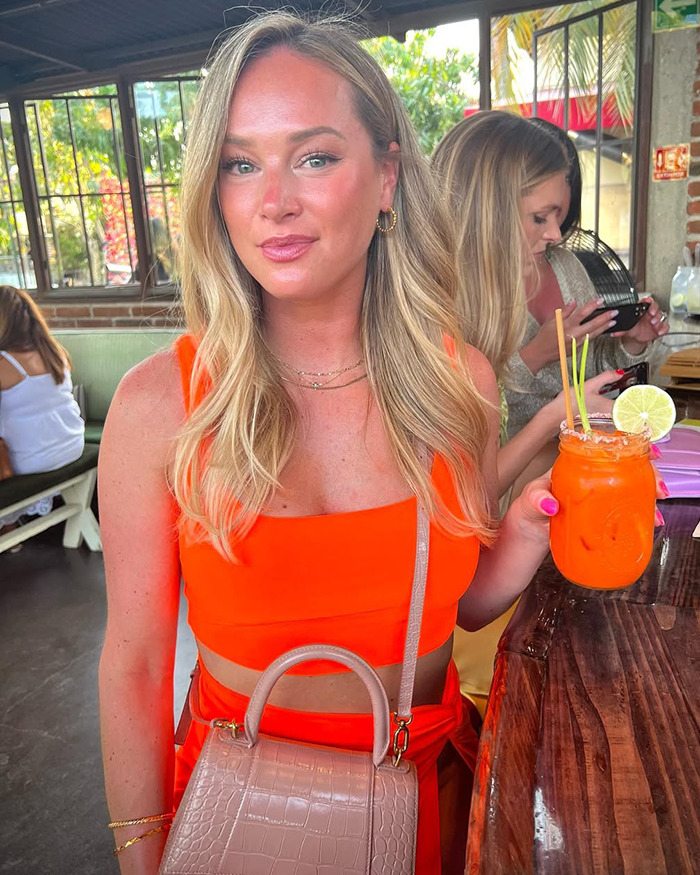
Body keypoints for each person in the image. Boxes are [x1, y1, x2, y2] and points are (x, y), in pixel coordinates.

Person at [98, 14, 577, 874]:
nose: (272, 200)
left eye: (314, 157)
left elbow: (455, 612)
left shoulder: (456, 381)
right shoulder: (159, 406)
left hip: (423, 813)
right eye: (240, 163)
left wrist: (530, 533)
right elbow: (134, 665)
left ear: (388, 176)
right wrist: (140, 856)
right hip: (234, 825)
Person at [432, 111, 667, 716]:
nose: (557, 234)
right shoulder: (438, 302)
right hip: (481, 534)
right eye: (540, 217)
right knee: (507, 680)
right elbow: (471, 492)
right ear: (486, 210)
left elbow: (594, 355)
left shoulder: (559, 266)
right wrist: (543, 374)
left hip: (545, 487)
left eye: (560, 215)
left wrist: (633, 339)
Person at [0, 285, 84, 536]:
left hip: (35, 459)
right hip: (72, 444)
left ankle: (8, 527)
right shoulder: (53, 351)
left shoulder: (4, 363)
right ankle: (10, 527)